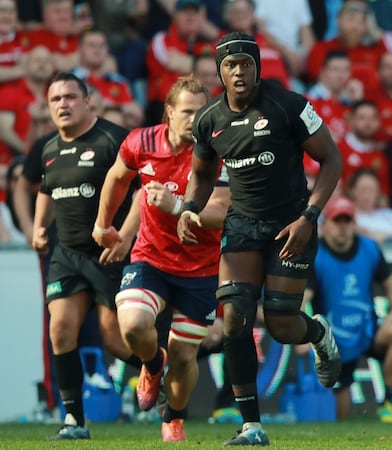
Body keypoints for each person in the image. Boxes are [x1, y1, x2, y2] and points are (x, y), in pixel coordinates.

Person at [178, 32, 343, 446]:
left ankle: (317, 334)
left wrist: (309, 217)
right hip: (243, 225)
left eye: (246, 64)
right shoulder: (208, 120)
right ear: (220, 72)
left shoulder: (289, 105)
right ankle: (252, 425)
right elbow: (201, 174)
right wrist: (189, 207)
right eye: (230, 65)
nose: (239, 72)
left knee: (283, 324)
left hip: (292, 224)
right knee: (235, 320)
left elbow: (332, 159)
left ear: (257, 67)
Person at [92, 77, 230, 442]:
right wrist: (104, 224)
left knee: (184, 357)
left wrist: (177, 206)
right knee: (133, 325)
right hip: (150, 257)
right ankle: (153, 365)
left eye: (201, 112)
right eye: (187, 112)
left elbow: (221, 210)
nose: (195, 120)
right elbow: (118, 177)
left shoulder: (220, 149)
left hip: (201, 267)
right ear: (169, 112)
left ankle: (174, 418)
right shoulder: (141, 142)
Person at [32, 72, 143, 440]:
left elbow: (143, 191)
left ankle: (159, 366)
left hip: (109, 255)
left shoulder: (113, 139)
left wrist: (125, 237)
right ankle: (74, 421)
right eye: (55, 99)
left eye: (69, 97)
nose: (62, 104)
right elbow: (46, 190)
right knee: (60, 329)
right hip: (66, 255)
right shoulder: (48, 148)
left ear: (87, 101)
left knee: (114, 339)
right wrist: (39, 227)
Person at [305, 196, 392, 422]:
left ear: (354, 224)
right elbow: (305, 296)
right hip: (333, 339)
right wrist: (302, 332)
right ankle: (340, 431)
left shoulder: (369, 248)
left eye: (347, 221)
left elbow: (390, 284)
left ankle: (388, 401)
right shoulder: (315, 254)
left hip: (367, 329)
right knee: (340, 410)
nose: (342, 227)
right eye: (337, 221)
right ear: (326, 225)